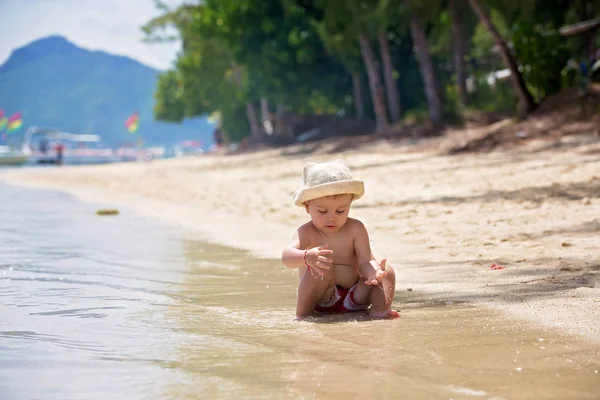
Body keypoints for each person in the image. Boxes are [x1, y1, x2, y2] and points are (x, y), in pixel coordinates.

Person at [281, 161, 400, 320]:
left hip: (355, 297)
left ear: (350, 203)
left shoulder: (355, 229)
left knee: (387, 271)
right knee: (322, 267)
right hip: (320, 299)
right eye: (322, 211)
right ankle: (302, 315)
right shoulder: (306, 232)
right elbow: (286, 257)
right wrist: (306, 257)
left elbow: (365, 261)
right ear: (307, 207)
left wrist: (373, 271)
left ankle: (380, 310)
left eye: (340, 210)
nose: (332, 217)